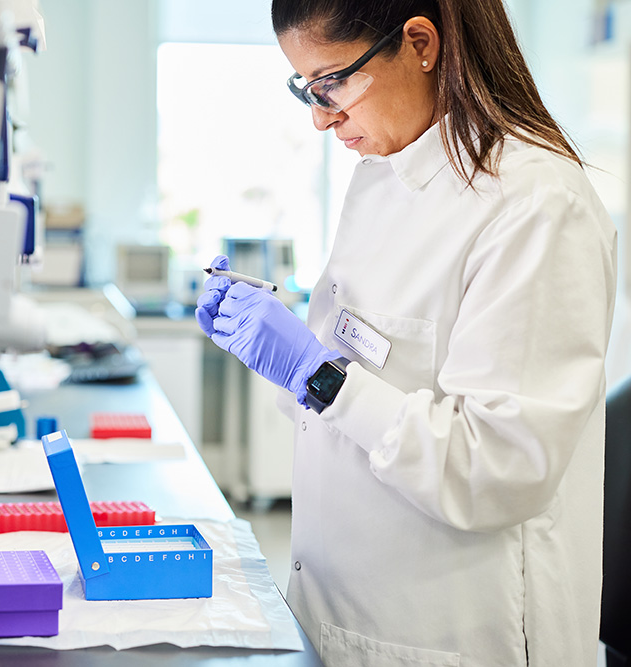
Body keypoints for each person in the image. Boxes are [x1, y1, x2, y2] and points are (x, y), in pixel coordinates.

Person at [196, 1, 617, 665]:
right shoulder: (383, 176)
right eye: (305, 88)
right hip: (340, 613)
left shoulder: (536, 204)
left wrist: (319, 373)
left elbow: (498, 468)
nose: (319, 116)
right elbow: (353, 392)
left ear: (420, 43)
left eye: (331, 83)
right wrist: (276, 351)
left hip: (456, 634)